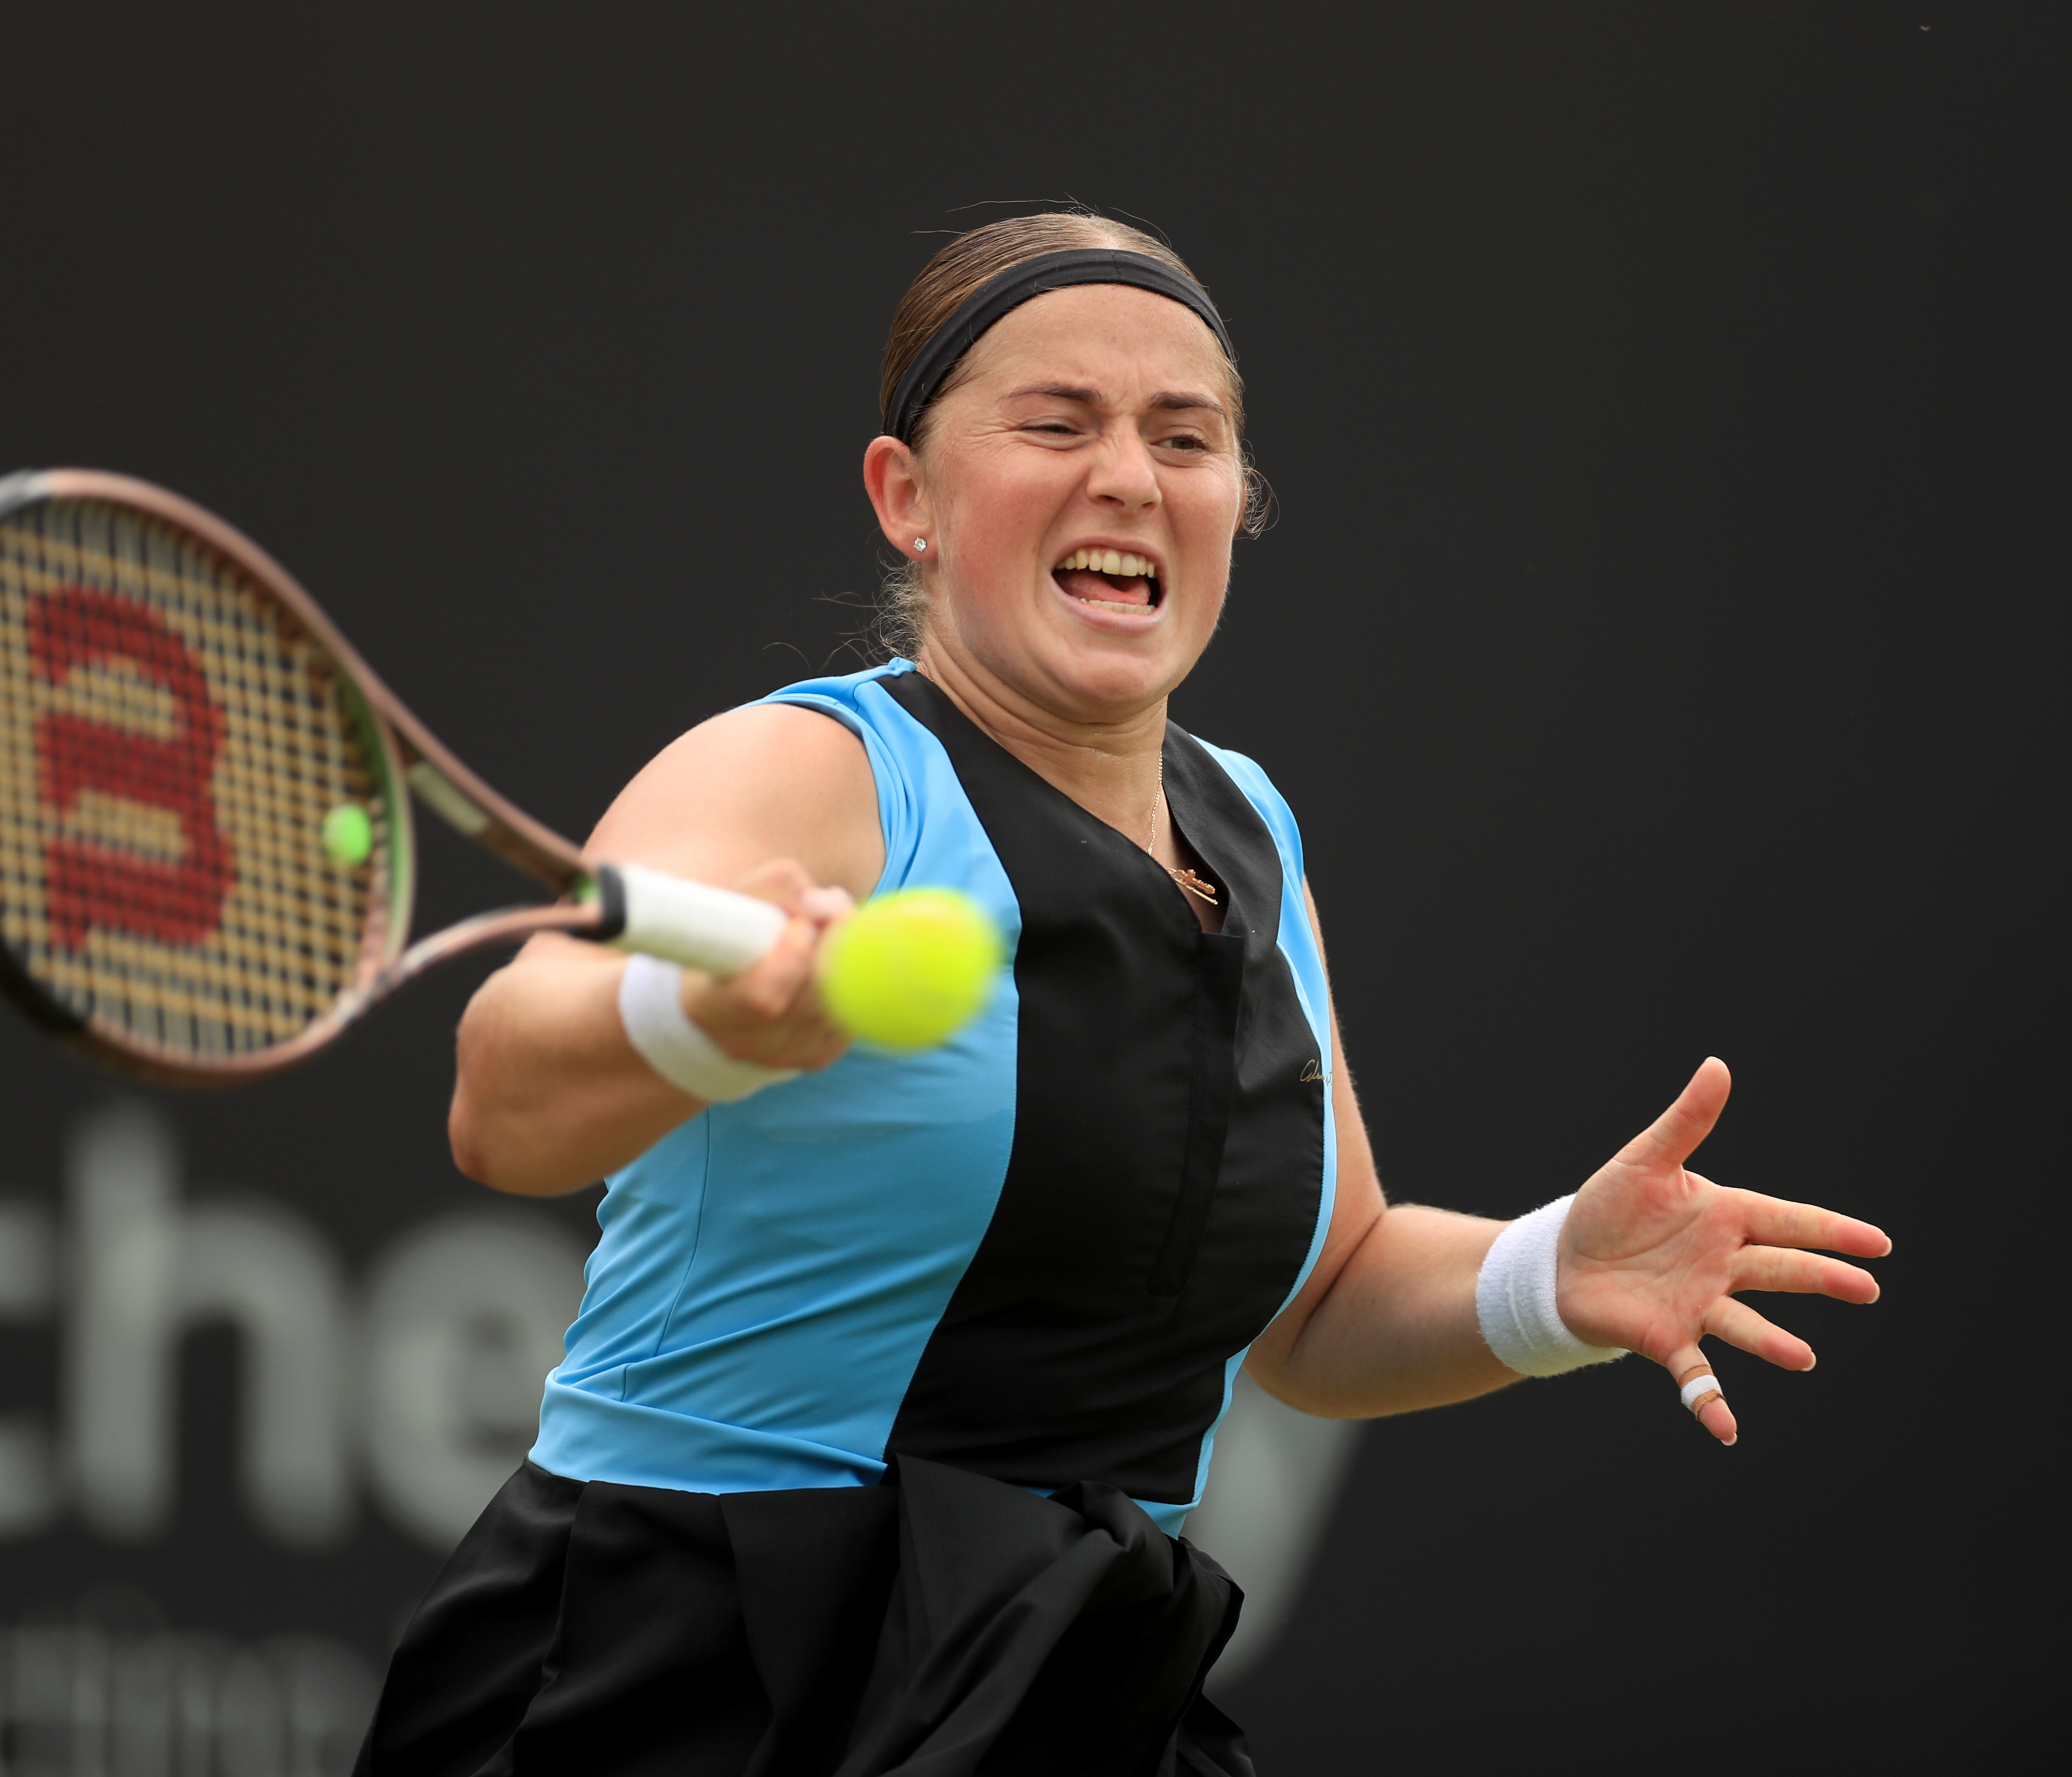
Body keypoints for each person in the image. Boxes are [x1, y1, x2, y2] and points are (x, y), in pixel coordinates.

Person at [353, 212, 1891, 1777]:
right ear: (910, 499)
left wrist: (1551, 1276)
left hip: (1057, 1697)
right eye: (1055, 423)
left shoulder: (1251, 826)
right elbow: (506, 1096)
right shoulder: (803, 771)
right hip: (687, 1672)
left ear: (1234, 502)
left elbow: (1325, 1303)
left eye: (1186, 437)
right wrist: (700, 1024)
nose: (1131, 478)